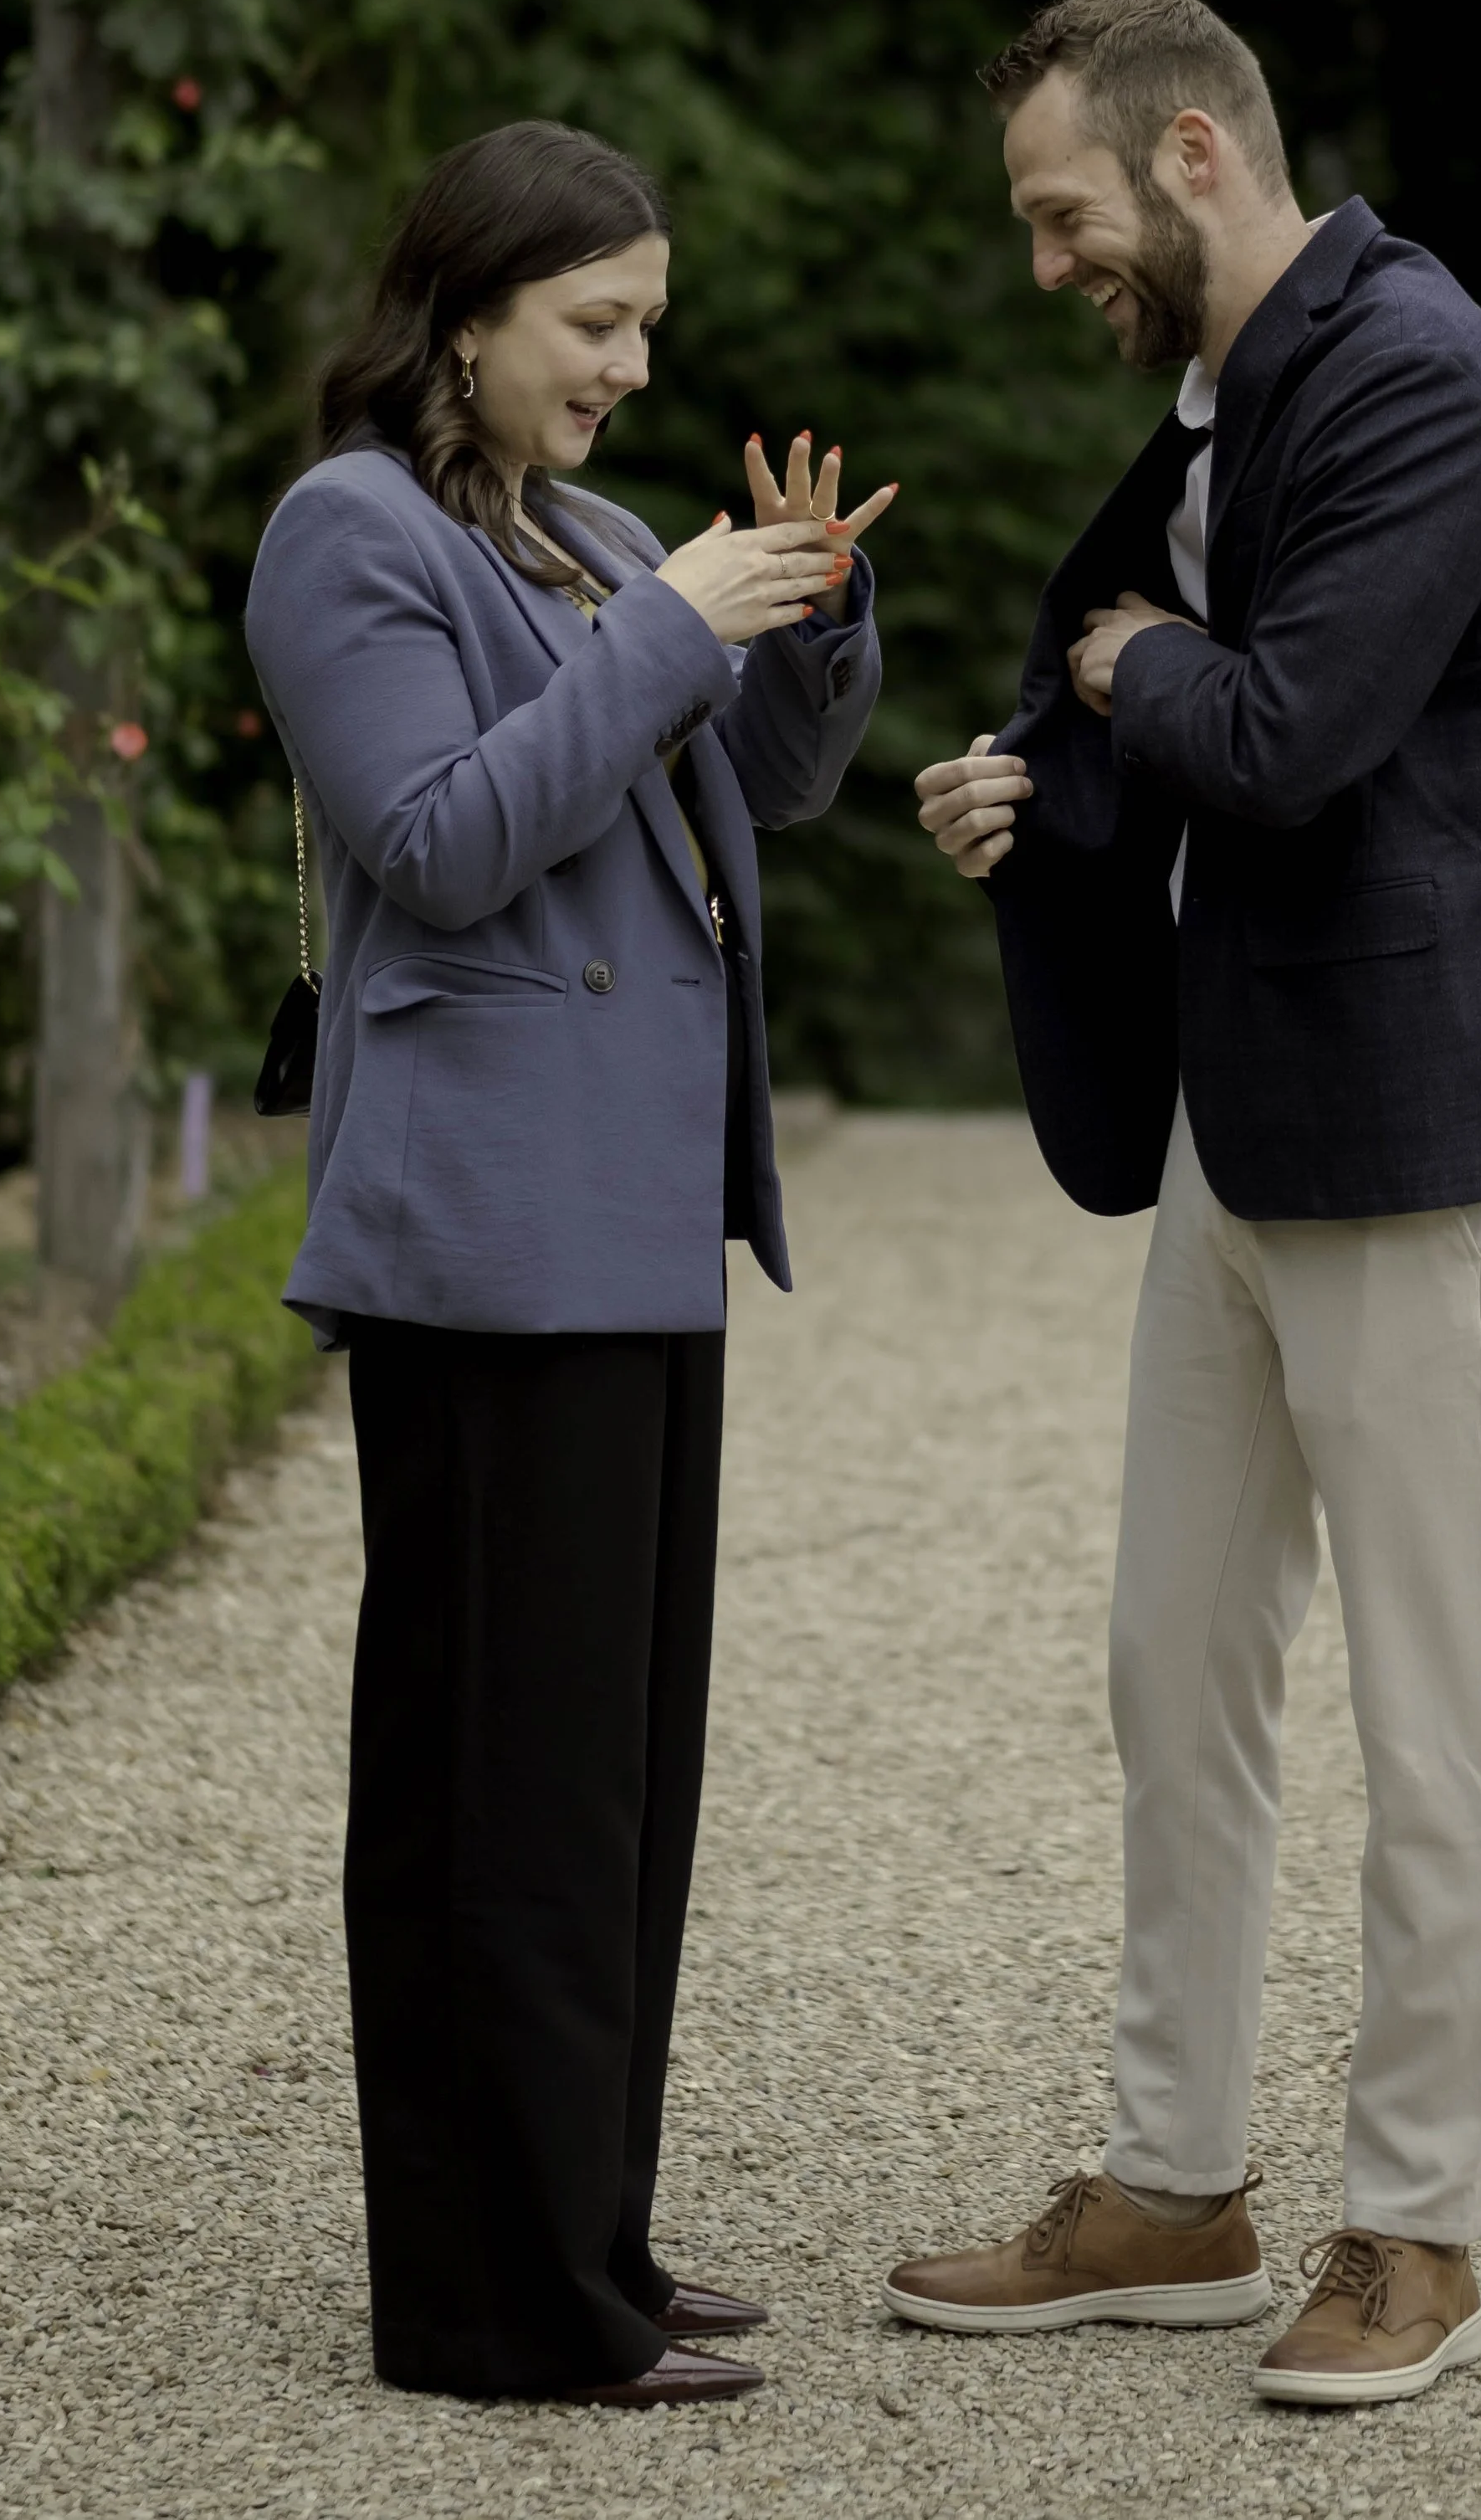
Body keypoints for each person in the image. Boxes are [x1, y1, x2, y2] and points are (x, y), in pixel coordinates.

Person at [897, 0, 1481, 2405]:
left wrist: (1119, 666)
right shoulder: (1230, 394)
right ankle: (1169, 2176)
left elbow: (1296, 729)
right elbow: (1182, 715)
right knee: (1169, 1655)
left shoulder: (1426, 370)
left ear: (1193, 149)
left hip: (1427, 1135)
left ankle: (1416, 2227)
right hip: (1242, 1120)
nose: (1045, 265)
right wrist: (1045, 775)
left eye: (1061, 213)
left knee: (1438, 1717)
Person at [243, 118, 892, 2409]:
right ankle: (499, 2301)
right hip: (485, 1244)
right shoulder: (353, 533)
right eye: (594, 322)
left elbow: (774, 789)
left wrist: (800, 605)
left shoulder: (595, 535)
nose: (630, 364)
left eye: (647, 323)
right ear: (469, 311)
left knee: (605, 1788)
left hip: (631, 1233)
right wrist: (666, 637)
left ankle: (580, 2234)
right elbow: (435, 846)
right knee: (491, 1791)